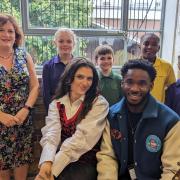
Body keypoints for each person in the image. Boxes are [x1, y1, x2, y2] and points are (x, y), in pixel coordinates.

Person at [97, 59, 180, 180]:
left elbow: (172, 169)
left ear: (151, 86)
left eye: (142, 83)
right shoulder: (111, 115)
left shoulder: (171, 121)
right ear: (122, 83)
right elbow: (107, 156)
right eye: (129, 82)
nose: (134, 89)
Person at [35, 57, 109, 180]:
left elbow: (82, 139)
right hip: (62, 156)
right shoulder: (57, 103)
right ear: (70, 78)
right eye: (80, 77)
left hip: (85, 162)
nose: (85, 83)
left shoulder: (99, 103)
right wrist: (46, 162)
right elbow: (51, 134)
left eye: (89, 78)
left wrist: (52, 170)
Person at [0, 13, 39, 180]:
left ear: (16, 35)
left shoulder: (24, 55)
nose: (6, 35)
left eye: (11, 31)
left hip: (22, 121)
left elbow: (35, 85)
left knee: (22, 164)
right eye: (1, 30)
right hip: (0, 124)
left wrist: (26, 109)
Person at [42, 28, 77, 112]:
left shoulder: (79, 65)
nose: (65, 44)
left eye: (69, 41)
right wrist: (52, 112)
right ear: (55, 43)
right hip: (56, 111)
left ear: (74, 44)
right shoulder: (48, 66)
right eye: (61, 41)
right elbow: (46, 94)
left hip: (76, 109)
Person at [140, 33, 176, 103]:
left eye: (154, 44)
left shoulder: (167, 67)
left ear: (158, 48)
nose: (149, 47)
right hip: (136, 108)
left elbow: (172, 91)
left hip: (158, 110)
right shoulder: (132, 66)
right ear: (140, 46)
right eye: (146, 44)